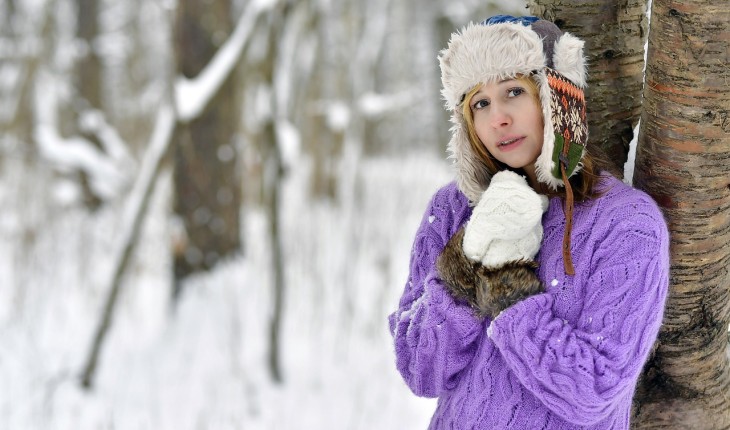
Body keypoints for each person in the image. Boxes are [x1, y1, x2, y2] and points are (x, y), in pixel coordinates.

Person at [388, 15, 670, 429]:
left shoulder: (627, 223)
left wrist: (504, 282)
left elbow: (593, 391)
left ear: (558, 99)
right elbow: (419, 369)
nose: (497, 118)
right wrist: (465, 264)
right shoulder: (452, 209)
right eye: (480, 103)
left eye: (514, 91)